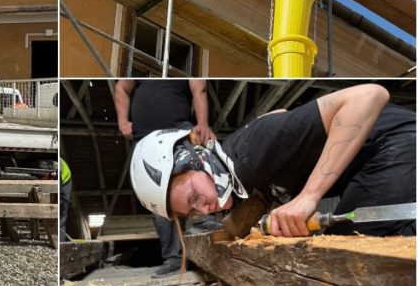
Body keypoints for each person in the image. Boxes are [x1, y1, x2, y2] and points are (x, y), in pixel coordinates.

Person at [131, 83, 415, 239]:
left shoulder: (251, 152)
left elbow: (369, 95)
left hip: (396, 143)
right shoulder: (242, 167)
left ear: (195, 158)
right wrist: (260, 202)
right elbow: (278, 112)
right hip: (384, 153)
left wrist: (308, 196)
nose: (204, 210)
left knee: (348, 244)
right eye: (192, 211)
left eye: (194, 196)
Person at [114, 79, 218, 276]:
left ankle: (203, 220)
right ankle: (174, 259)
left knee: (194, 176)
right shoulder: (140, 73)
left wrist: (202, 124)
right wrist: (122, 120)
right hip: (145, 139)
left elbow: (199, 88)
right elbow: (121, 87)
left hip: (178, 131)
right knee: (159, 199)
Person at [59, 158, 72, 239]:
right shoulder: (60, 162)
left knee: (61, 219)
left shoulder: (59, 165)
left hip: (64, 186)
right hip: (63, 183)